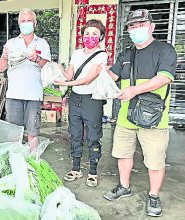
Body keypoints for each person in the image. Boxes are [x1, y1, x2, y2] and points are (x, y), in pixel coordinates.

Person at [101, 9, 177, 217]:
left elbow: (164, 78)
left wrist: (134, 90)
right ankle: (124, 187)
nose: (137, 30)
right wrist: (99, 71)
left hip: (153, 117)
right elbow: (111, 76)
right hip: (126, 115)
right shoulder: (126, 54)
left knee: (154, 160)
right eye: (133, 27)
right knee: (123, 154)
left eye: (141, 26)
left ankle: (153, 195)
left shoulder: (165, 50)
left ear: (151, 27)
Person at [54, 19, 108, 187]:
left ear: (100, 37)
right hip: (75, 99)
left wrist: (64, 84)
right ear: (82, 35)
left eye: (94, 34)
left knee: (93, 136)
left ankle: (93, 171)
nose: (90, 37)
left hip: (92, 100)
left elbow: (86, 80)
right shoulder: (77, 53)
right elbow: (70, 75)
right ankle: (76, 168)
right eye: (87, 33)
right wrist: (56, 69)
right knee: (75, 134)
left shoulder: (101, 55)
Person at [0, 8, 51, 148]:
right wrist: (4, 57)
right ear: (19, 23)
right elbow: (1, 67)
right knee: (13, 131)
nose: (26, 23)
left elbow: (47, 66)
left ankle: (33, 163)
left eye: (29, 20)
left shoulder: (42, 43)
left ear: (35, 23)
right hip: (14, 94)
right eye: (23, 21)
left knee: (32, 131)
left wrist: (37, 59)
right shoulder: (11, 43)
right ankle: (13, 160)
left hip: (34, 95)